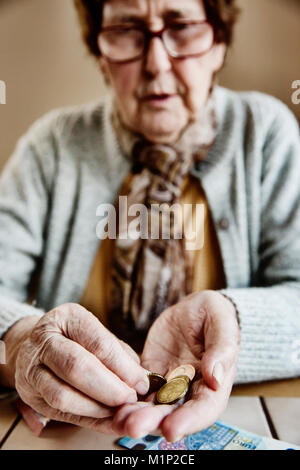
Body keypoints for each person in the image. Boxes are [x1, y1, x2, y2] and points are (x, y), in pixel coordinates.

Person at [0, 0, 299, 443]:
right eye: (127, 31)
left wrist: (233, 324)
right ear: (99, 50)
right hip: (61, 430)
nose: (156, 64)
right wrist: (19, 338)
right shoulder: (53, 145)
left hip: (244, 411)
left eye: (182, 27)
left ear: (218, 42)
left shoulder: (266, 132)